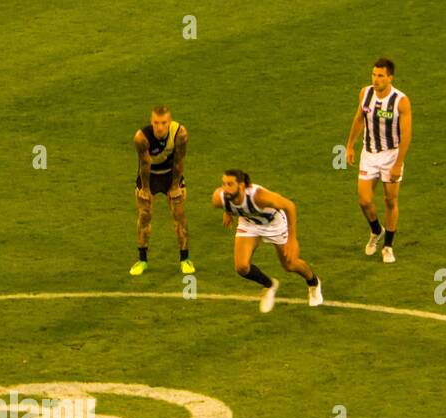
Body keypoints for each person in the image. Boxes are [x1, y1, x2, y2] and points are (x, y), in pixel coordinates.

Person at [213, 169, 323, 312]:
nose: (225, 188)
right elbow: (229, 201)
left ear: (241, 186)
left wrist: (292, 239)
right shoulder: (219, 198)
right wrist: (228, 211)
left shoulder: (259, 196)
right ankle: (270, 285)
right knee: (241, 267)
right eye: (223, 184)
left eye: (230, 184)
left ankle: (313, 283)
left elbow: (289, 206)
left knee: (290, 265)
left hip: (274, 224)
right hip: (250, 223)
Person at [345, 57, 412, 263]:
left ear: (390, 77)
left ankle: (388, 246)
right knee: (364, 200)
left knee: (390, 200)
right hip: (370, 153)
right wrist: (349, 145)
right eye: (374, 75)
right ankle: (376, 230)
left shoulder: (401, 101)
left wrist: (398, 163)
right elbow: (359, 119)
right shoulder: (365, 94)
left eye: (380, 76)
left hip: (391, 156)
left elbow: (406, 134)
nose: (376, 79)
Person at [130, 105, 192, 275]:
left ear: (169, 122)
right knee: (144, 216)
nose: (160, 127)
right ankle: (142, 260)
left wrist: (175, 186)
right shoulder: (141, 138)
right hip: (150, 176)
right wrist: (144, 189)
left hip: (171, 175)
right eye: (156, 123)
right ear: (151, 122)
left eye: (164, 123)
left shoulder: (180, 134)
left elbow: (179, 162)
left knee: (179, 215)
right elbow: (144, 164)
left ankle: (185, 259)